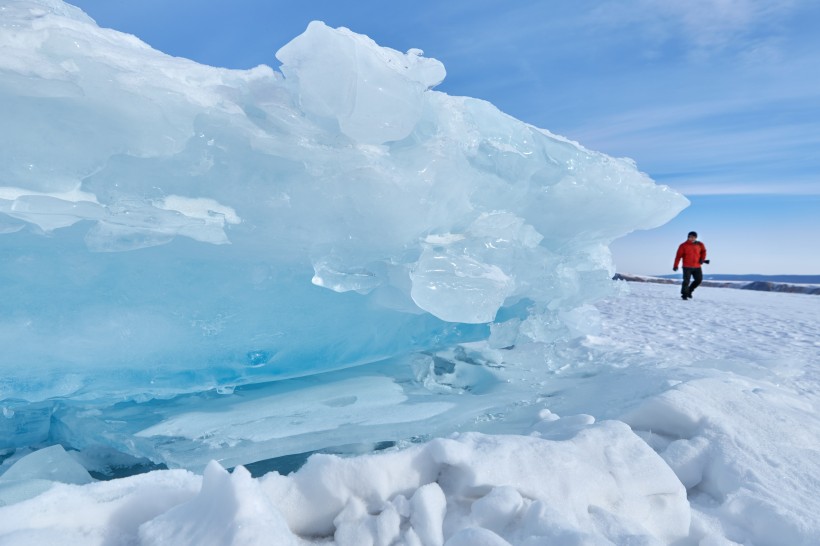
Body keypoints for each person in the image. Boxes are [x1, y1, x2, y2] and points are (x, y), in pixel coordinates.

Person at [673, 231, 709, 300]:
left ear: (696, 238)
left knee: (699, 280)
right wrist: (675, 265)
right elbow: (678, 257)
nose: (692, 238)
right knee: (686, 281)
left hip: (697, 266)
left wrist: (702, 259)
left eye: (694, 237)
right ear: (688, 237)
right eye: (690, 237)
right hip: (687, 266)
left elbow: (703, 252)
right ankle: (684, 295)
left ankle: (689, 291)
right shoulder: (683, 245)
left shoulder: (700, 244)